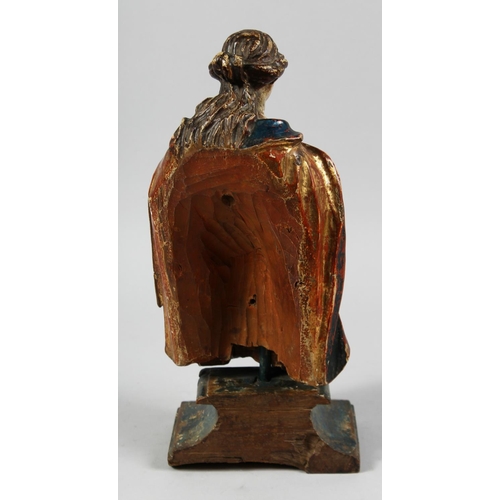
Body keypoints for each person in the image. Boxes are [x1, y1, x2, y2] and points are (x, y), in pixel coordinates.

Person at [149, 30, 349, 387]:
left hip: (225, 280)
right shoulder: (295, 162)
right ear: (269, 82)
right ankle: (290, 358)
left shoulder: (179, 154)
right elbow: (317, 256)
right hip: (270, 283)